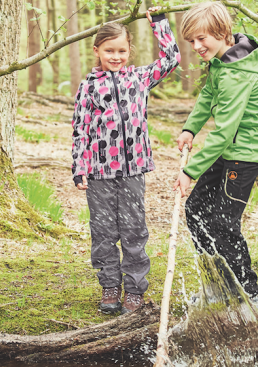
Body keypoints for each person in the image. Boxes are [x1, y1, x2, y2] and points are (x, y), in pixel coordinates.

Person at [71, 7, 180, 315]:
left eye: (121, 50)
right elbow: (80, 129)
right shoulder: (88, 87)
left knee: (133, 230)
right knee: (104, 232)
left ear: (130, 50)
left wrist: (159, 23)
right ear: (97, 51)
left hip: (133, 171)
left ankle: (134, 289)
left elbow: (171, 58)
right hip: (99, 173)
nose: (116, 56)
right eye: (109, 50)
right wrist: (80, 167)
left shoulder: (139, 78)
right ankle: (109, 287)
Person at [173, 2, 258, 316]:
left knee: (224, 223)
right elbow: (208, 96)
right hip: (231, 149)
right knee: (196, 209)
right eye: (191, 41)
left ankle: (252, 295)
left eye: (202, 38)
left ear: (222, 32)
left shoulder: (236, 74)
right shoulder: (222, 63)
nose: (196, 46)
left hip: (245, 153)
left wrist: (190, 172)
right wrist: (191, 127)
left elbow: (225, 130)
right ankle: (217, 284)